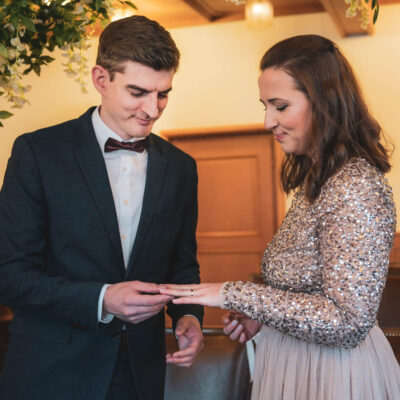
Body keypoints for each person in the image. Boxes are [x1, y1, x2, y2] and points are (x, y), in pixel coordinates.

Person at [160, 35, 400, 400]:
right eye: (266, 106)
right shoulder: (317, 181)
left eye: (280, 106)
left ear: (326, 102)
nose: (269, 120)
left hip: (333, 376)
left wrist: (232, 294)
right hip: (296, 362)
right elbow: (310, 290)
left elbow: (348, 322)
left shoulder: (354, 184)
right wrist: (266, 316)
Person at [0, 15, 203, 400]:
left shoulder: (181, 167)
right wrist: (102, 299)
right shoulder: (37, 153)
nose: (153, 109)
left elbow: (182, 264)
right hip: (49, 372)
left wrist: (187, 316)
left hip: (139, 373)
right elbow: (9, 274)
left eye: (163, 94)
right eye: (137, 92)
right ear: (101, 80)